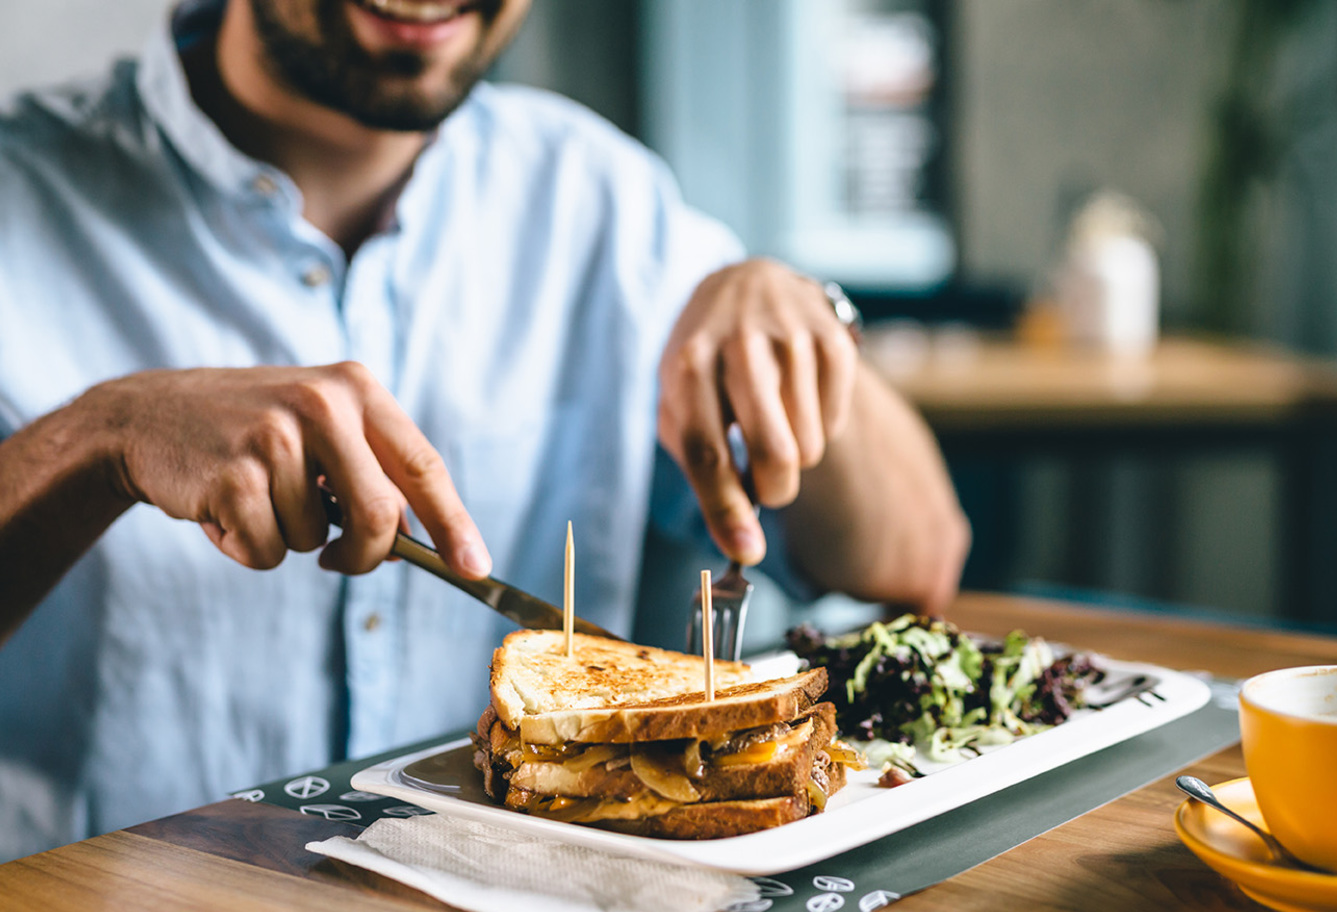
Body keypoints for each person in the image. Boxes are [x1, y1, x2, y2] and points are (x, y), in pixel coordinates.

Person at [0, 0, 970, 860]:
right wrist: (102, 438)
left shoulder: (603, 199)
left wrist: (805, 315)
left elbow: (915, 557)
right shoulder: (21, 196)